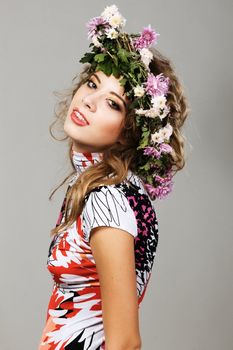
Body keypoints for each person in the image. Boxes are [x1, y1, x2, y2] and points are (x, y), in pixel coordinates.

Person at [38, 4, 189, 350]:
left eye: (113, 103)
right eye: (92, 83)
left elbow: (124, 343)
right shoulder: (104, 191)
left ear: (129, 133)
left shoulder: (108, 200)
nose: (90, 100)